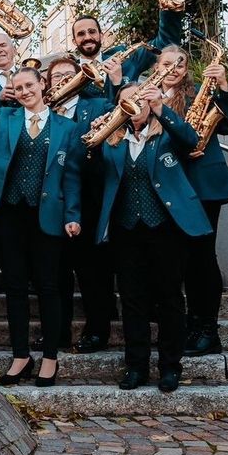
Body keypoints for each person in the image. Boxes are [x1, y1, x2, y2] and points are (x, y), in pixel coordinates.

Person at [0, 67, 83, 385]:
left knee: (49, 287)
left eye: (28, 85)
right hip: (8, 214)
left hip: (47, 214)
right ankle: (20, 355)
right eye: (17, 87)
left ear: (42, 85)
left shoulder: (67, 128)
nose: (23, 91)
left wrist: (73, 214)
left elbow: (72, 176)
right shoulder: (4, 117)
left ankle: (50, 357)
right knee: (15, 286)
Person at [88, 83, 212, 392]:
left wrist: (160, 108)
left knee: (170, 298)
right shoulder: (113, 140)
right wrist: (96, 131)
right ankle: (136, 367)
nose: (134, 104)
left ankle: (170, 367)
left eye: (139, 98)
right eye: (126, 100)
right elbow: (89, 164)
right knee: (132, 300)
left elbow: (191, 140)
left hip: (166, 229)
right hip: (126, 229)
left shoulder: (168, 133)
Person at [146, 45, 228, 358]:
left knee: (202, 257)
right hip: (166, 187)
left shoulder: (199, 95)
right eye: (167, 63)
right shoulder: (146, 96)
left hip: (201, 187)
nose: (173, 69)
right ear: (156, 66)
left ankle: (207, 329)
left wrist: (224, 86)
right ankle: (185, 324)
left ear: (186, 70)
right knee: (175, 260)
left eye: (180, 64)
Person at [45, 56, 117, 353]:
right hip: (51, 201)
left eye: (67, 74)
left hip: (90, 200)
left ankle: (97, 331)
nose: (61, 79)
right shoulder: (41, 111)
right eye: (55, 76)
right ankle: (58, 332)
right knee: (56, 272)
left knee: (92, 272)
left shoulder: (99, 106)